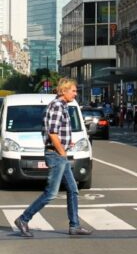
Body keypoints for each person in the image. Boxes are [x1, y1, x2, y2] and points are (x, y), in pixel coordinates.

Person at [14, 78, 93, 237]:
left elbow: (57, 131)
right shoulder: (57, 106)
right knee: (51, 193)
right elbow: (52, 132)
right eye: (73, 91)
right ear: (63, 91)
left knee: (73, 189)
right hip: (56, 154)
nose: (75, 94)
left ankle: (74, 225)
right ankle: (23, 219)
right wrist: (62, 151)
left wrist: (66, 142)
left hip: (59, 153)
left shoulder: (62, 106)